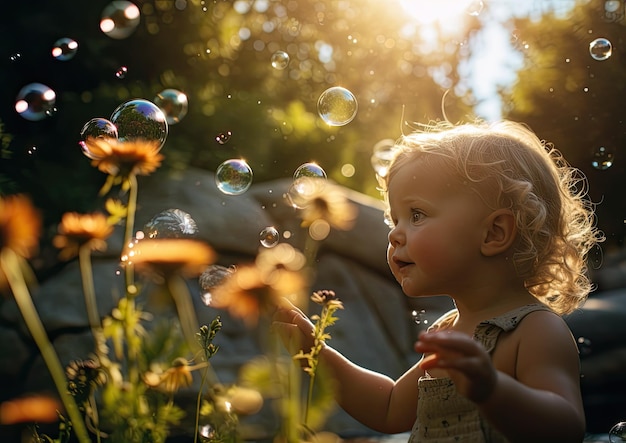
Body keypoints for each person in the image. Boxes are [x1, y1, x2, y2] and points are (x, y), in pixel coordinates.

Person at [273, 119, 604, 442]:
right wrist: (314, 351)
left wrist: (493, 390)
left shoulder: (535, 331)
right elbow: (388, 409)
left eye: (416, 215)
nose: (394, 233)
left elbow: (566, 426)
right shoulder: (447, 331)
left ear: (494, 232)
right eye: (394, 218)